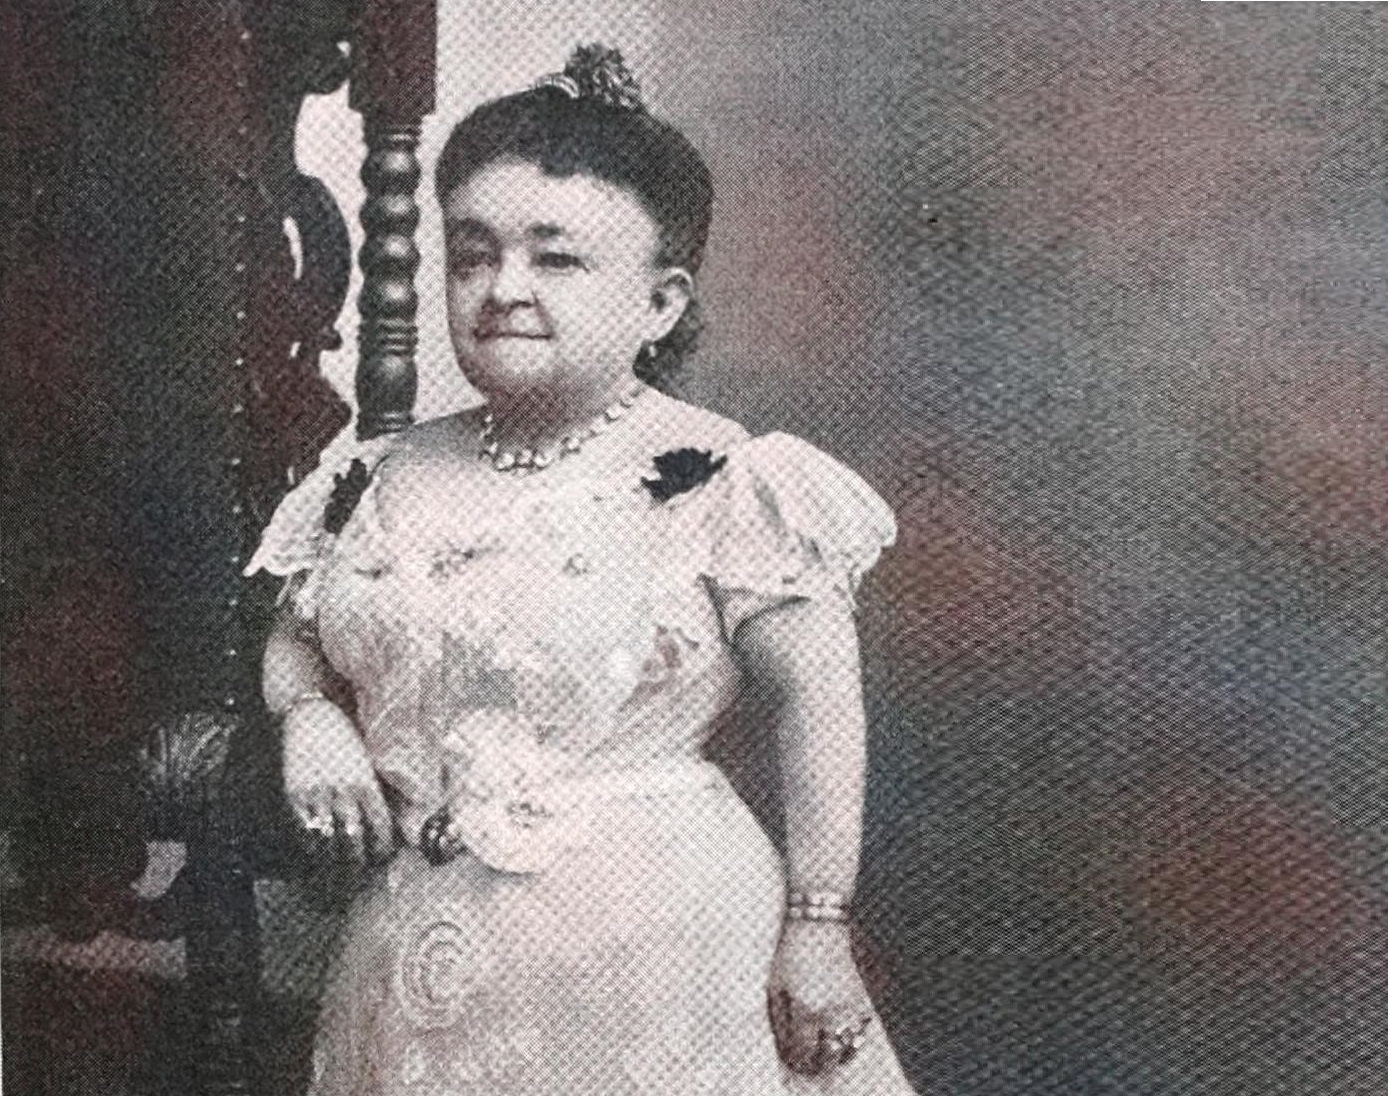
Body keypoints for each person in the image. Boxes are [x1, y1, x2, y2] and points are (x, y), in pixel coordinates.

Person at [247, 44, 914, 1095]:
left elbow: (818, 698)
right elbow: (297, 642)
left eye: (554, 259)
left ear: (659, 301)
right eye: (472, 255)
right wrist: (310, 720)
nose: (503, 288)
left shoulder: (726, 477)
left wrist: (817, 925)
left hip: (660, 959)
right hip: (412, 956)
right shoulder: (371, 475)